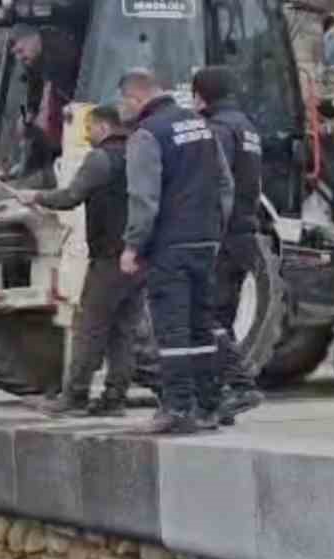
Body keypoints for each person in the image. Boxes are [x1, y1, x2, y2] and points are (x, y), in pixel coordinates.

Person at [118, 68, 235, 435]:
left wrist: (133, 245)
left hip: (170, 245)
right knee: (201, 327)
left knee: (171, 330)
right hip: (205, 241)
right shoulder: (201, 125)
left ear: (136, 98)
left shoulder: (146, 135)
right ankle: (208, 405)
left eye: (123, 102)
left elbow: (144, 198)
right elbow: (225, 184)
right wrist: (215, 230)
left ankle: (177, 407)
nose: (122, 110)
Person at [16, 105, 146, 417]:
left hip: (109, 259)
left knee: (90, 328)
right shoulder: (140, 154)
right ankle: (115, 398)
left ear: (103, 126)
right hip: (140, 257)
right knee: (123, 332)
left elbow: (71, 196)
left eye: (89, 128)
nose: (86, 135)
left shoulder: (100, 158)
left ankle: (74, 396)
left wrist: (35, 197)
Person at [192, 66, 267, 425]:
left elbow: (214, 185)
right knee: (222, 319)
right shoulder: (247, 127)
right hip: (246, 233)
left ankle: (239, 385)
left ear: (199, 96)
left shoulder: (218, 130)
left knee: (206, 318)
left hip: (221, 236)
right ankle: (219, 399)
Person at [6, 25, 81, 187]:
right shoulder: (32, 59)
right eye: (16, 54)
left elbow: (50, 88)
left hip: (79, 103)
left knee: (45, 132)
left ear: (33, 39)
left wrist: (44, 115)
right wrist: (29, 114)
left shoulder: (60, 48)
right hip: (60, 111)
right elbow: (34, 88)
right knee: (35, 135)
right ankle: (26, 174)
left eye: (21, 50)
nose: (20, 57)